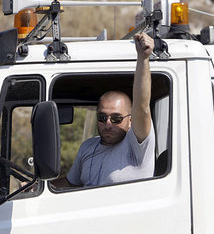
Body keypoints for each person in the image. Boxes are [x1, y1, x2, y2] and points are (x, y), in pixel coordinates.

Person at [52, 33, 155, 188]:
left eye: (116, 119)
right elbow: (70, 183)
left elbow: (142, 107)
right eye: (102, 117)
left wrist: (143, 58)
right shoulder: (88, 147)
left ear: (131, 120)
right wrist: (36, 189)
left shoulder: (137, 145)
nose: (108, 124)